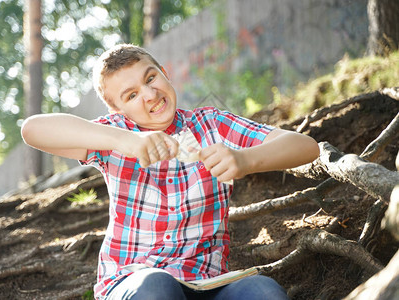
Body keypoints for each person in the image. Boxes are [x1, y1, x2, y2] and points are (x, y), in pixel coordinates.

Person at [21, 44, 320, 300]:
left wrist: (245, 159)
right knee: (158, 287)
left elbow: (305, 146)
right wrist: (124, 140)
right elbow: (33, 129)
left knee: (263, 291)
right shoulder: (113, 135)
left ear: (164, 72)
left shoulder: (212, 125)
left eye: (151, 78)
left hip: (208, 284)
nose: (150, 94)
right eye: (131, 95)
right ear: (117, 111)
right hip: (135, 283)